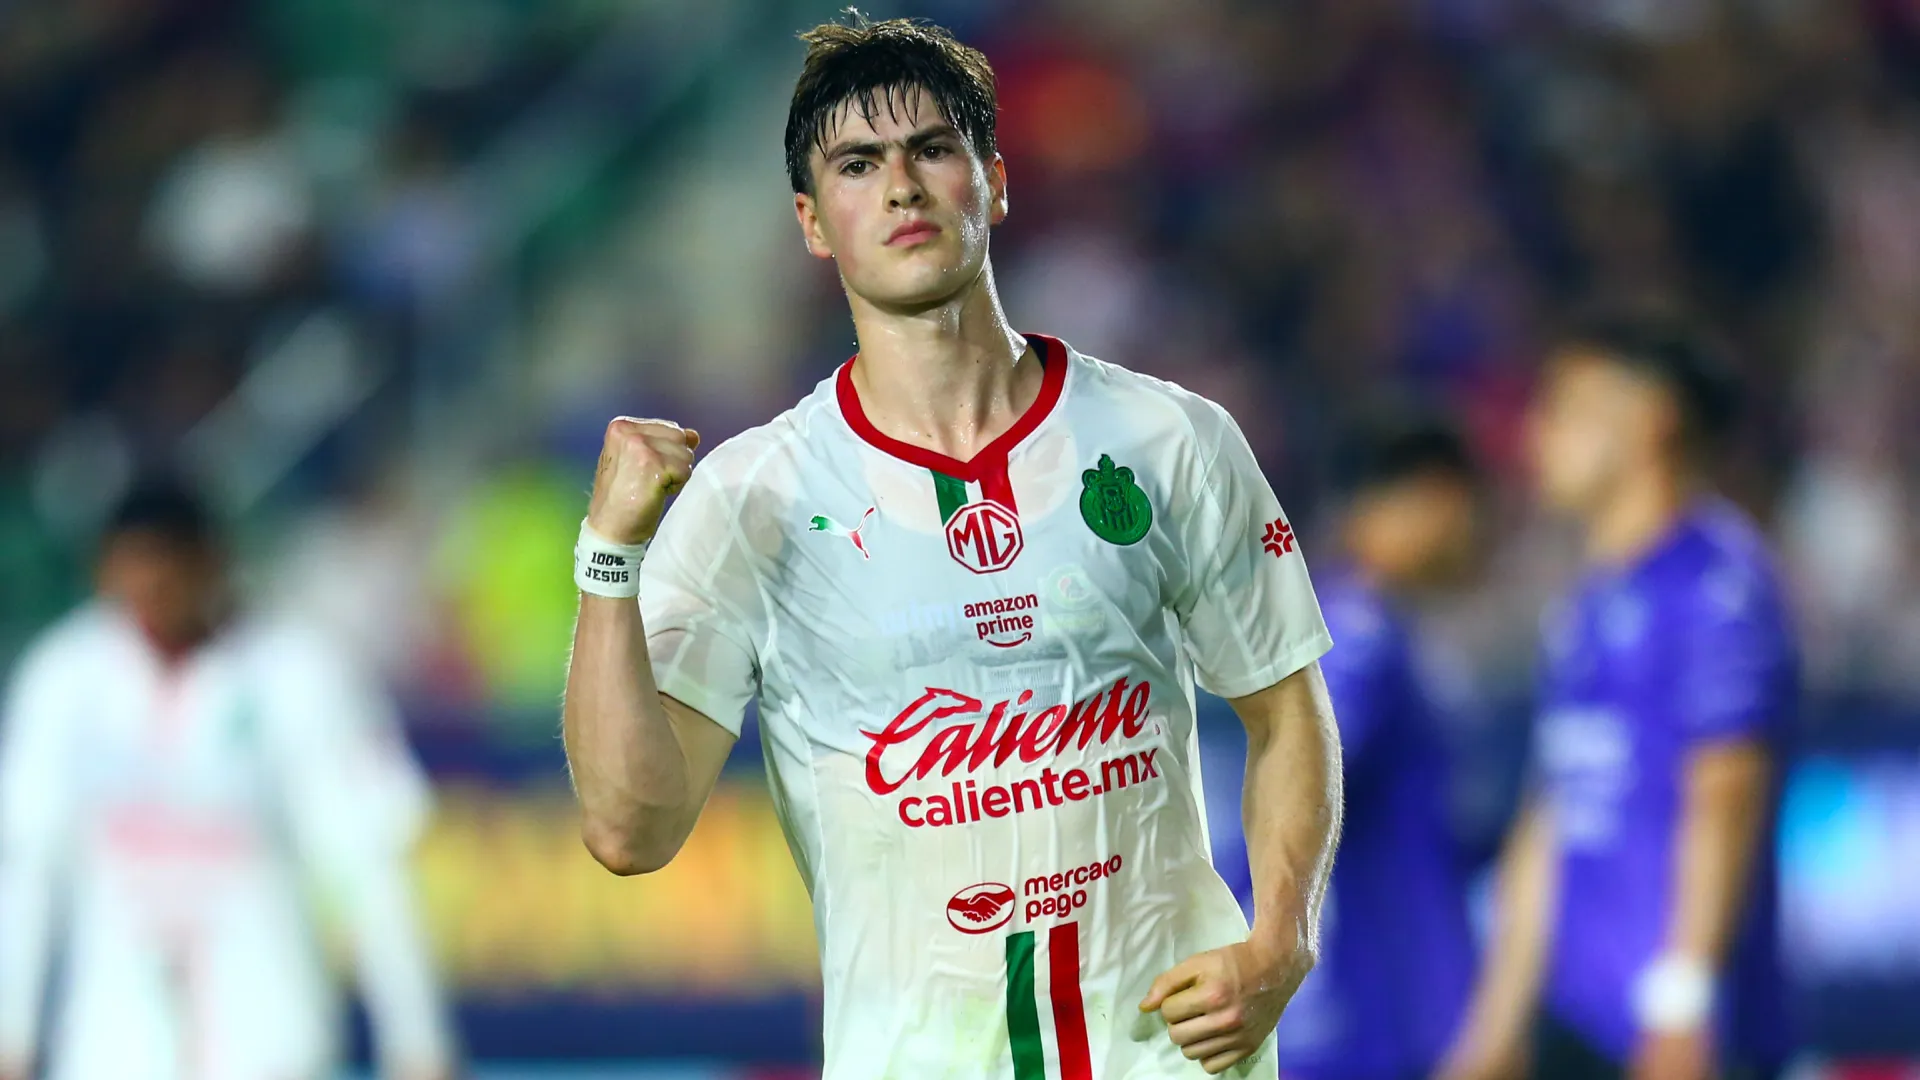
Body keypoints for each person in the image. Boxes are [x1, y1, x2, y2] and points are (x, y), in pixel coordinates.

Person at [562, 16, 1343, 1080]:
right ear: (812, 221)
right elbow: (630, 830)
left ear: (996, 181)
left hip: (1168, 1058)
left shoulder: (1171, 438)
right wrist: (610, 555)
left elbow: (1285, 708)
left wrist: (1282, 943)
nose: (900, 186)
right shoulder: (755, 494)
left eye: (932, 149)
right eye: (856, 164)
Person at [1438, 314, 1796, 1080]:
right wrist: (1495, 1027)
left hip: (1678, 1031)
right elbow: (1554, 812)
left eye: (1565, 410)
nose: (1538, 436)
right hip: (1581, 1021)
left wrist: (1684, 996)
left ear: (1648, 419)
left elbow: (1726, 787)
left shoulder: (1716, 585)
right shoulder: (1588, 607)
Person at [0, 479, 455, 1080]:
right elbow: (28, 871)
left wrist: (418, 1041)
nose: (152, 595)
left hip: (268, 1039)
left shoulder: (296, 674)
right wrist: (13, 1034)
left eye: (170, 571)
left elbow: (369, 866)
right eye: (135, 572)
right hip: (111, 1048)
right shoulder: (64, 682)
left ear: (211, 564)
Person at [1231, 417, 1478, 1080]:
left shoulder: (1349, 620)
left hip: (1372, 1004)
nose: (1469, 529)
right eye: (1459, 504)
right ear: (1426, 496)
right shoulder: (1359, 630)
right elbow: (1303, 777)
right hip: (1368, 1010)